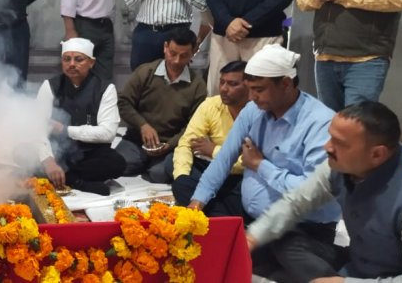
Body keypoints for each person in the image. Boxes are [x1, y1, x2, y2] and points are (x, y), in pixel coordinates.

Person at [189, 44, 342, 282]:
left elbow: (313, 192)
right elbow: (225, 158)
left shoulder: (320, 122)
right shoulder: (254, 110)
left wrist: (261, 165)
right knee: (200, 206)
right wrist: (195, 204)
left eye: (259, 90)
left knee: (283, 248)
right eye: (250, 89)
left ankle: (330, 268)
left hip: (304, 225)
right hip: (255, 217)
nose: (251, 97)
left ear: (285, 84)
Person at [248, 102, 402, 282]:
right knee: (282, 240)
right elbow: (296, 203)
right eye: (330, 137)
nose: (327, 147)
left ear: (377, 154)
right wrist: (251, 237)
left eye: (339, 143)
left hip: (390, 277)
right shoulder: (339, 163)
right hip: (355, 263)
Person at [35, 38, 126, 196]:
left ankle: (68, 178)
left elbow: (108, 133)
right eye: (66, 59)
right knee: (21, 153)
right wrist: (48, 161)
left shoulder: (105, 88)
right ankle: (79, 182)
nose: (71, 64)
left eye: (78, 59)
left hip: (89, 154)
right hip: (57, 153)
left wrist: (66, 130)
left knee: (117, 163)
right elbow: (37, 128)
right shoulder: (49, 86)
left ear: (91, 62)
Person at [115, 28, 206, 184]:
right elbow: (123, 102)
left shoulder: (197, 85)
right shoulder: (145, 72)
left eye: (184, 56)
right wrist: (142, 125)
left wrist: (170, 144)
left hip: (170, 145)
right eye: (172, 53)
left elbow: (194, 125)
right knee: (117, 165)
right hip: (137, 139)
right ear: (165, 47)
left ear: (193, 53)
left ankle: (151, 164)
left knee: (160, 174)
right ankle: (142, 161)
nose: (176, 61)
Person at [169, 61, 248, 213]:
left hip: (240, 175)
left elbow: (249, 162)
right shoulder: (211, 104)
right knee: (179, 178)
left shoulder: (258, 112)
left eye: (232, 84)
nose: (224, 89)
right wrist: (181, 177)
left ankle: (217, 215)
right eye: (222, 82)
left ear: (249, 86)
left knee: (247, 193)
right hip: (212, 168)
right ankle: (220, 212)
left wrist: (214, 150)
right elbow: (186, 143)